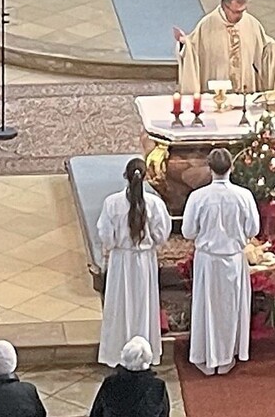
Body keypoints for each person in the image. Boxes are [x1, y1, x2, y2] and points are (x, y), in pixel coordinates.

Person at [181, 148, 260, 376]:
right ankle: (226, 358)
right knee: (229, 308)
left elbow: (187, 231)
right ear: (231, 167)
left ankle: (204, 356)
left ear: (209, 168)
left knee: (206, 307)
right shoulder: (243, 196)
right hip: (233, 258)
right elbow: (254, 229)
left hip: (208, 260)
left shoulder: (198, 196)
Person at [97, 158, 172, 368]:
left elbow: (107, 237)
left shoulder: (112, 203)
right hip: (145, 261)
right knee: (143, 306)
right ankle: (144, 353)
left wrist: (116, 244)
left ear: (125, 176)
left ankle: (117, 353)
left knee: (120, 306)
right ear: (146, 177)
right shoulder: (155, 204)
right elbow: (161, 235)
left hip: (121, 261)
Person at [173, 0, 275, 94]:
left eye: (243, 10)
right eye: (236, 12)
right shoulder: (207, 24)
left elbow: (264, 52)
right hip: (217, 87)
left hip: (245, 89)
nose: (240, 15)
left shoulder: (251, 23)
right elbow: (193, 49)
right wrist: (184, 43)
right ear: (224, 7)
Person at [90, 336, 170, 417]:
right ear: (148, 359)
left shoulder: (109, 384)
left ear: (124, 357)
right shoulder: (158, 387)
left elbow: (96, 413)